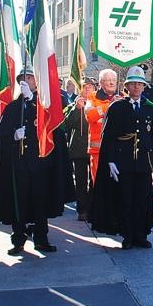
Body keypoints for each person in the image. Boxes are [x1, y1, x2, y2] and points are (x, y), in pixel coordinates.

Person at [0, 68, 75, 256]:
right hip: (19, 163)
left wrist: (32, 102)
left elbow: (53, 127)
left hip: (42, 162)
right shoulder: (13, 107)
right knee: (19, 201)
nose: (25, 81)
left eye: (29, 77)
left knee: (40, 201)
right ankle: (18, 239)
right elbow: (0, 133)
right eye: (22, 78)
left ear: (37, 82)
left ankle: (41, 239)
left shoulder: (44, 105)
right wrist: (13, 135)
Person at [89, 66, 153, 250]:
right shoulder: (117, 107)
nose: (136, 87)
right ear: (127, 86)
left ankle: (141, 234)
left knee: (142, 199)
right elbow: (110, 136)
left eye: (139, 84)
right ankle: (127, 235)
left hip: (143, 161)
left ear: (144, 87)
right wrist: (110, 160)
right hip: (124, 161)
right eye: (133, 84)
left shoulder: (150, 108)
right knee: (126, 199)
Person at [64, 77, 97, 221]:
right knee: (81, 180)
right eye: (85, 86)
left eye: (90, 86)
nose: (87, 89)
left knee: (94, 179)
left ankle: (92, 207)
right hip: (79, 149)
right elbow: (67, 124)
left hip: (95, 147)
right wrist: (77, 109)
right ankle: (82, 208)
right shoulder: (74, 104)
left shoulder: (97, 103)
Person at [86, 69, 120, 184]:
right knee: (99, 184)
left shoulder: (123, 96)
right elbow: (90, 116)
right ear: (100, 82)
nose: (111, 83)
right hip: (98, 150)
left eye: (113, 80)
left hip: (119, 149)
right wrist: (110, 106)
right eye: (108, 80)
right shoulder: (92, 97)